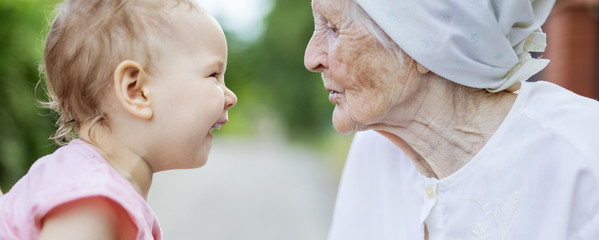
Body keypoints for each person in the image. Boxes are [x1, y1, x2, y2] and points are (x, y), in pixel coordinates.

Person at [304, 0, 599, 239]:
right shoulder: (371, 151)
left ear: (426, 41)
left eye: (332, 27)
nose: (311, 58)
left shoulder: (584, 156)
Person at [0, 0, 237, 239]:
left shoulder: (94, 186)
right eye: (214, 74)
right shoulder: (91, 198)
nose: (231, 97)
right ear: (136, 90)